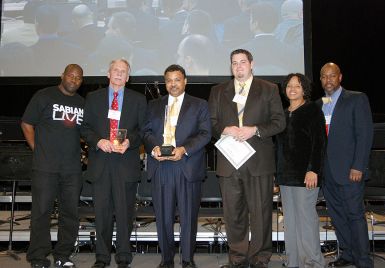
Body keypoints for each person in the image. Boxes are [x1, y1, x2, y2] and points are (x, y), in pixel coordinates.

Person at [208, 49, 286, 268]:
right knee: (233, 215)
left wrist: (255, 130)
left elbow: (279, 122)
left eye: (243, 62)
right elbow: (210, 124)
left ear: (252, 64)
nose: (239, 66)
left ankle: (260, 258)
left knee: (261, 213)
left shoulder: (269, 89)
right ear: (230, 66)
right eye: (234, 63)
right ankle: (238, 259)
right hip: (229, 162)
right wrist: (225, 129)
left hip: (258, 162)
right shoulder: (218, 91)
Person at [143, 64, 212, 268]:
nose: (173, 84)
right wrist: (154, 147)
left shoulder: (199, 104)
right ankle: (166, 259)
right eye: (169, 80)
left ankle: (188, 259)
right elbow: (145, 132)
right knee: (163, 217)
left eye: (177, 79)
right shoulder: (154, 105)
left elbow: (205, 133)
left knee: (188, 217)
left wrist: (183, 149)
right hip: (161, 167)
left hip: (186, 166)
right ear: (165, 83)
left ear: (185, 81)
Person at [81, 59, 147, 268]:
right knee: (102, 214)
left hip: (125, 164)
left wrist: (130, 141)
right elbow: (85, 128)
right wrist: (98, 141)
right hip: (100, 163)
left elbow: (143, 130)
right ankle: (102, 257)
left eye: (123, 71)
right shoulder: (93, 98)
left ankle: (124, 255)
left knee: (125, 213)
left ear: (128, 77)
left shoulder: (138, 99)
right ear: (108, 74)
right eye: (115, 70)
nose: (119, 74)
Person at [21, 64, 84, 268]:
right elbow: (27, 123)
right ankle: (38, 257)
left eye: (78, 78)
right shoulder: (44, 95)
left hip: (72, 169)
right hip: (45, 167)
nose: (74, 80)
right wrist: (37, 149)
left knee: (70, 214)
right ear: (62, 76)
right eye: (71, 76)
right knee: (41, 212)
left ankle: (63, 255)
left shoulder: (83, 103)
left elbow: (86, 133)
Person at [317, 62, 374, 268]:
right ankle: (348, 254)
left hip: (351, 171)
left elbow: (364, 134)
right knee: (337, 216)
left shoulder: (356, 99)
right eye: (324, 76)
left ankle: (363, 260)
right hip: (327, 173)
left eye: (332, 76)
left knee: (354, 215)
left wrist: (358, 166)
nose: (328, 80)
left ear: (340, 77)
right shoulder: (319, 104)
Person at [275, 73, 326, 268]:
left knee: (306, 221)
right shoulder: (283, 113)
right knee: (290, 221)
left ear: (304, 89)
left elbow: (319, 143)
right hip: (286, 178)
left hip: (306, 177)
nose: (292, 89)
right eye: (289, 86)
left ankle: (313, 262)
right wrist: (276, 177)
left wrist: (314, 170)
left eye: (297, 86)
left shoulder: (312, 110)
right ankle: (293, 262)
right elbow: (278, 148)